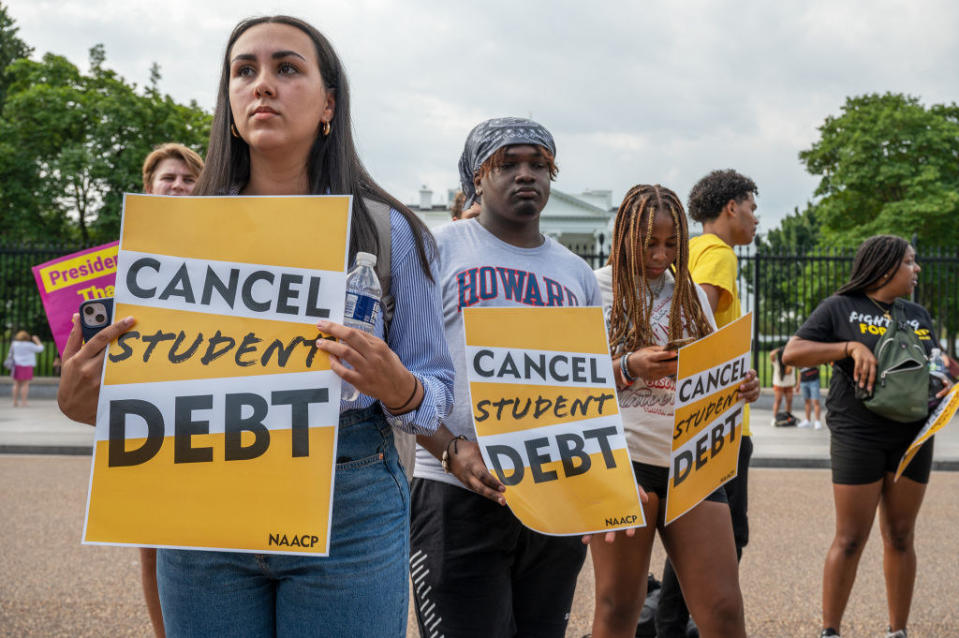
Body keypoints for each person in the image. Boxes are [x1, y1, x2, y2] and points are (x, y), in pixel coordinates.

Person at [57, 15, 454, 637]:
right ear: (229, 102)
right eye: (244, 71)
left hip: (349, 501)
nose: (261, 84)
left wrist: (398, 385)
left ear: (329, 104)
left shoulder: (389, 232)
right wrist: (86, 399)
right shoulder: (169, 240)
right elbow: (135, 382)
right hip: (199, 495)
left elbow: (438, 388)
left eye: (286, 68)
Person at [409, 117, 597, 638]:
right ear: (476, 176)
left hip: (552, 496)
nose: (525, 175)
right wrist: (451, 448)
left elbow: (588, 392)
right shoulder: (435, 248)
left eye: (538, 164)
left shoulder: (574, 273)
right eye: (507, 163)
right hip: (454, 489)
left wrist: (598, 491)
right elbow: (398, 372)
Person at [588, 184, 760, 638]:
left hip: (692, 459)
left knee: (723, 608)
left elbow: (711, 367)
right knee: (618, 606)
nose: (661, 256)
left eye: (671, 245)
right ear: (624, 235)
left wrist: (739, 383)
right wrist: (629, 365)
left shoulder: (690, 292)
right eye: (650, 244)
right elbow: (568, 384)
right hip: (624, 460)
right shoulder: (592, 288)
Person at [782, 235, 948, 638]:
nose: (917, 269)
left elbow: (935, 364)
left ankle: (898, 631)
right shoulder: (841, 308)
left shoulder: (917, 314)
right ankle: (830, 631)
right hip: (859, 433)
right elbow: (793, 352)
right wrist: (849, 347)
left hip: (914, 435)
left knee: (901, 535)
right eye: (911, 262)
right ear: (887, 267)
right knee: (852, 537)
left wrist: (942, 380)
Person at [655, 169, 759, 638]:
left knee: (690, 536)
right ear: (731, 207)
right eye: (752, 207)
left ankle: (670, 622)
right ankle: (675, 624)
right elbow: (698, 326)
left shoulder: (691, 251)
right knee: (724, 537)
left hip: (690, 414)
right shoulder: (718, 253)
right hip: (721, 422)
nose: (755, 219)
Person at [138, 142, 205, 638]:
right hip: (149, 412)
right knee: (152, 539)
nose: (178, 185)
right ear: (149, 187)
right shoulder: (127, 252)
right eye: (168, 178)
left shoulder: (220, 245)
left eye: (188, 178)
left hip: (209, 410)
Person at [9, 331, 44, 407]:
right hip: (27, 365)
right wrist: (37, 340)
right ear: (27, 337)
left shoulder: (14, 344)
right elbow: (41, 349)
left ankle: (15, 401)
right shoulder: (29, 345)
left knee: (16, 384)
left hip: (17, 365)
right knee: (25, 384)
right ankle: (24, 402)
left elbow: (11, 353)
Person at [770, 346, 798, 423]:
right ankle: (775, 418)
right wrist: (779, 349)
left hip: (789, 384)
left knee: (789, 401)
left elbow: (788, 371)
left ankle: (788, 417)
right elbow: (771, 354)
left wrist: (789, 349)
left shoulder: (791, 361)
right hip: (779, 384)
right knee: (778, 401)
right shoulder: (777, 362)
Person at [799, 365, 823, 429]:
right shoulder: (801, 358)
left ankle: (817, 421)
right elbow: (800, 371)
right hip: (803, 381)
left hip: (814, 380)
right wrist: (798, 384)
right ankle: (807, 420)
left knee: (816, 401)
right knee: (807, 401)